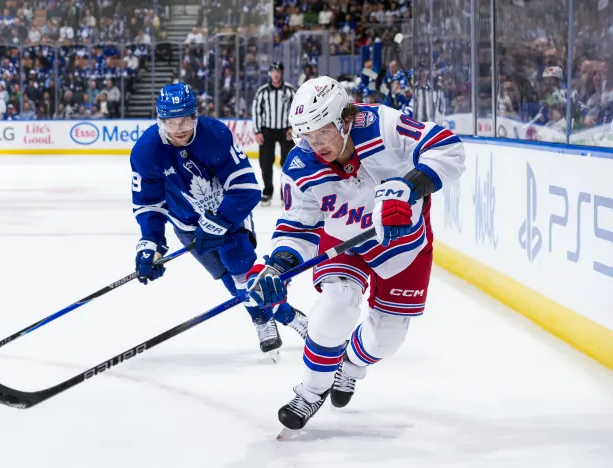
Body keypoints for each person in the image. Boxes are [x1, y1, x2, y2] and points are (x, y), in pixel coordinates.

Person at [246, 76, 466, 430]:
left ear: (345, 120)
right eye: (307, 135)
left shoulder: (384, 125)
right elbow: (298, 225)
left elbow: (448, 148)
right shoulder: (301, 164)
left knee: (388, 339)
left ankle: (349, 364)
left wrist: (408, 187)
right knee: (335, 307)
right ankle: (311, 390)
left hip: (401, 241)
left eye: (322, 133)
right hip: (342, 241)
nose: (315, 145)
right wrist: (277, 267)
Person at [131, 83, 308, 359]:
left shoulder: (214, 135)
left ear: (196, 116)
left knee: (241, 270)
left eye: (186, 120)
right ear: (159, 119)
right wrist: (151, 242)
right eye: (172, 121)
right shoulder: (146, 152)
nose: (180, 128)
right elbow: (149, 204)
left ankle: (275, 318)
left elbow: (246, 188)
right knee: (228, 278)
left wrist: (219, 221)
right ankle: (274, 315)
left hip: (229, 215)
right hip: (187, 224)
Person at [251, 62, 296, 206]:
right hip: (267, 131)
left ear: (282, 72)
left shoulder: (290, 91)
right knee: (265, 163)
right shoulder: (262, 91)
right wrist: (258, 131)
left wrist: (293, 128)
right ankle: (267, 192)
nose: (275, 74)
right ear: (270, 73)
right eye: (273, 71)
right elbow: (256, 111)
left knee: (288, 163)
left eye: (278, 71)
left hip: (286, 131)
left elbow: (296, 110)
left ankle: (286, 193)